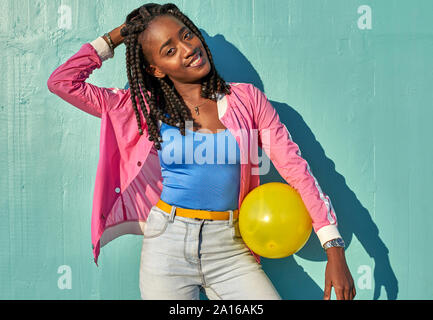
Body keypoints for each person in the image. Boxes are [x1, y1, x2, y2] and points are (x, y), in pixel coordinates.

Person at [47, 2, 355, 300]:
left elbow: (295, 170)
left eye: (186, 35)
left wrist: (334, 247)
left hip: (229, 247)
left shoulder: (247, 99)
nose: (187, 48)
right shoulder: (143, 107)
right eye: (169, 50)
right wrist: (117, 36)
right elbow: (62, 82)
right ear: (156, 70)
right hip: (166, 244)